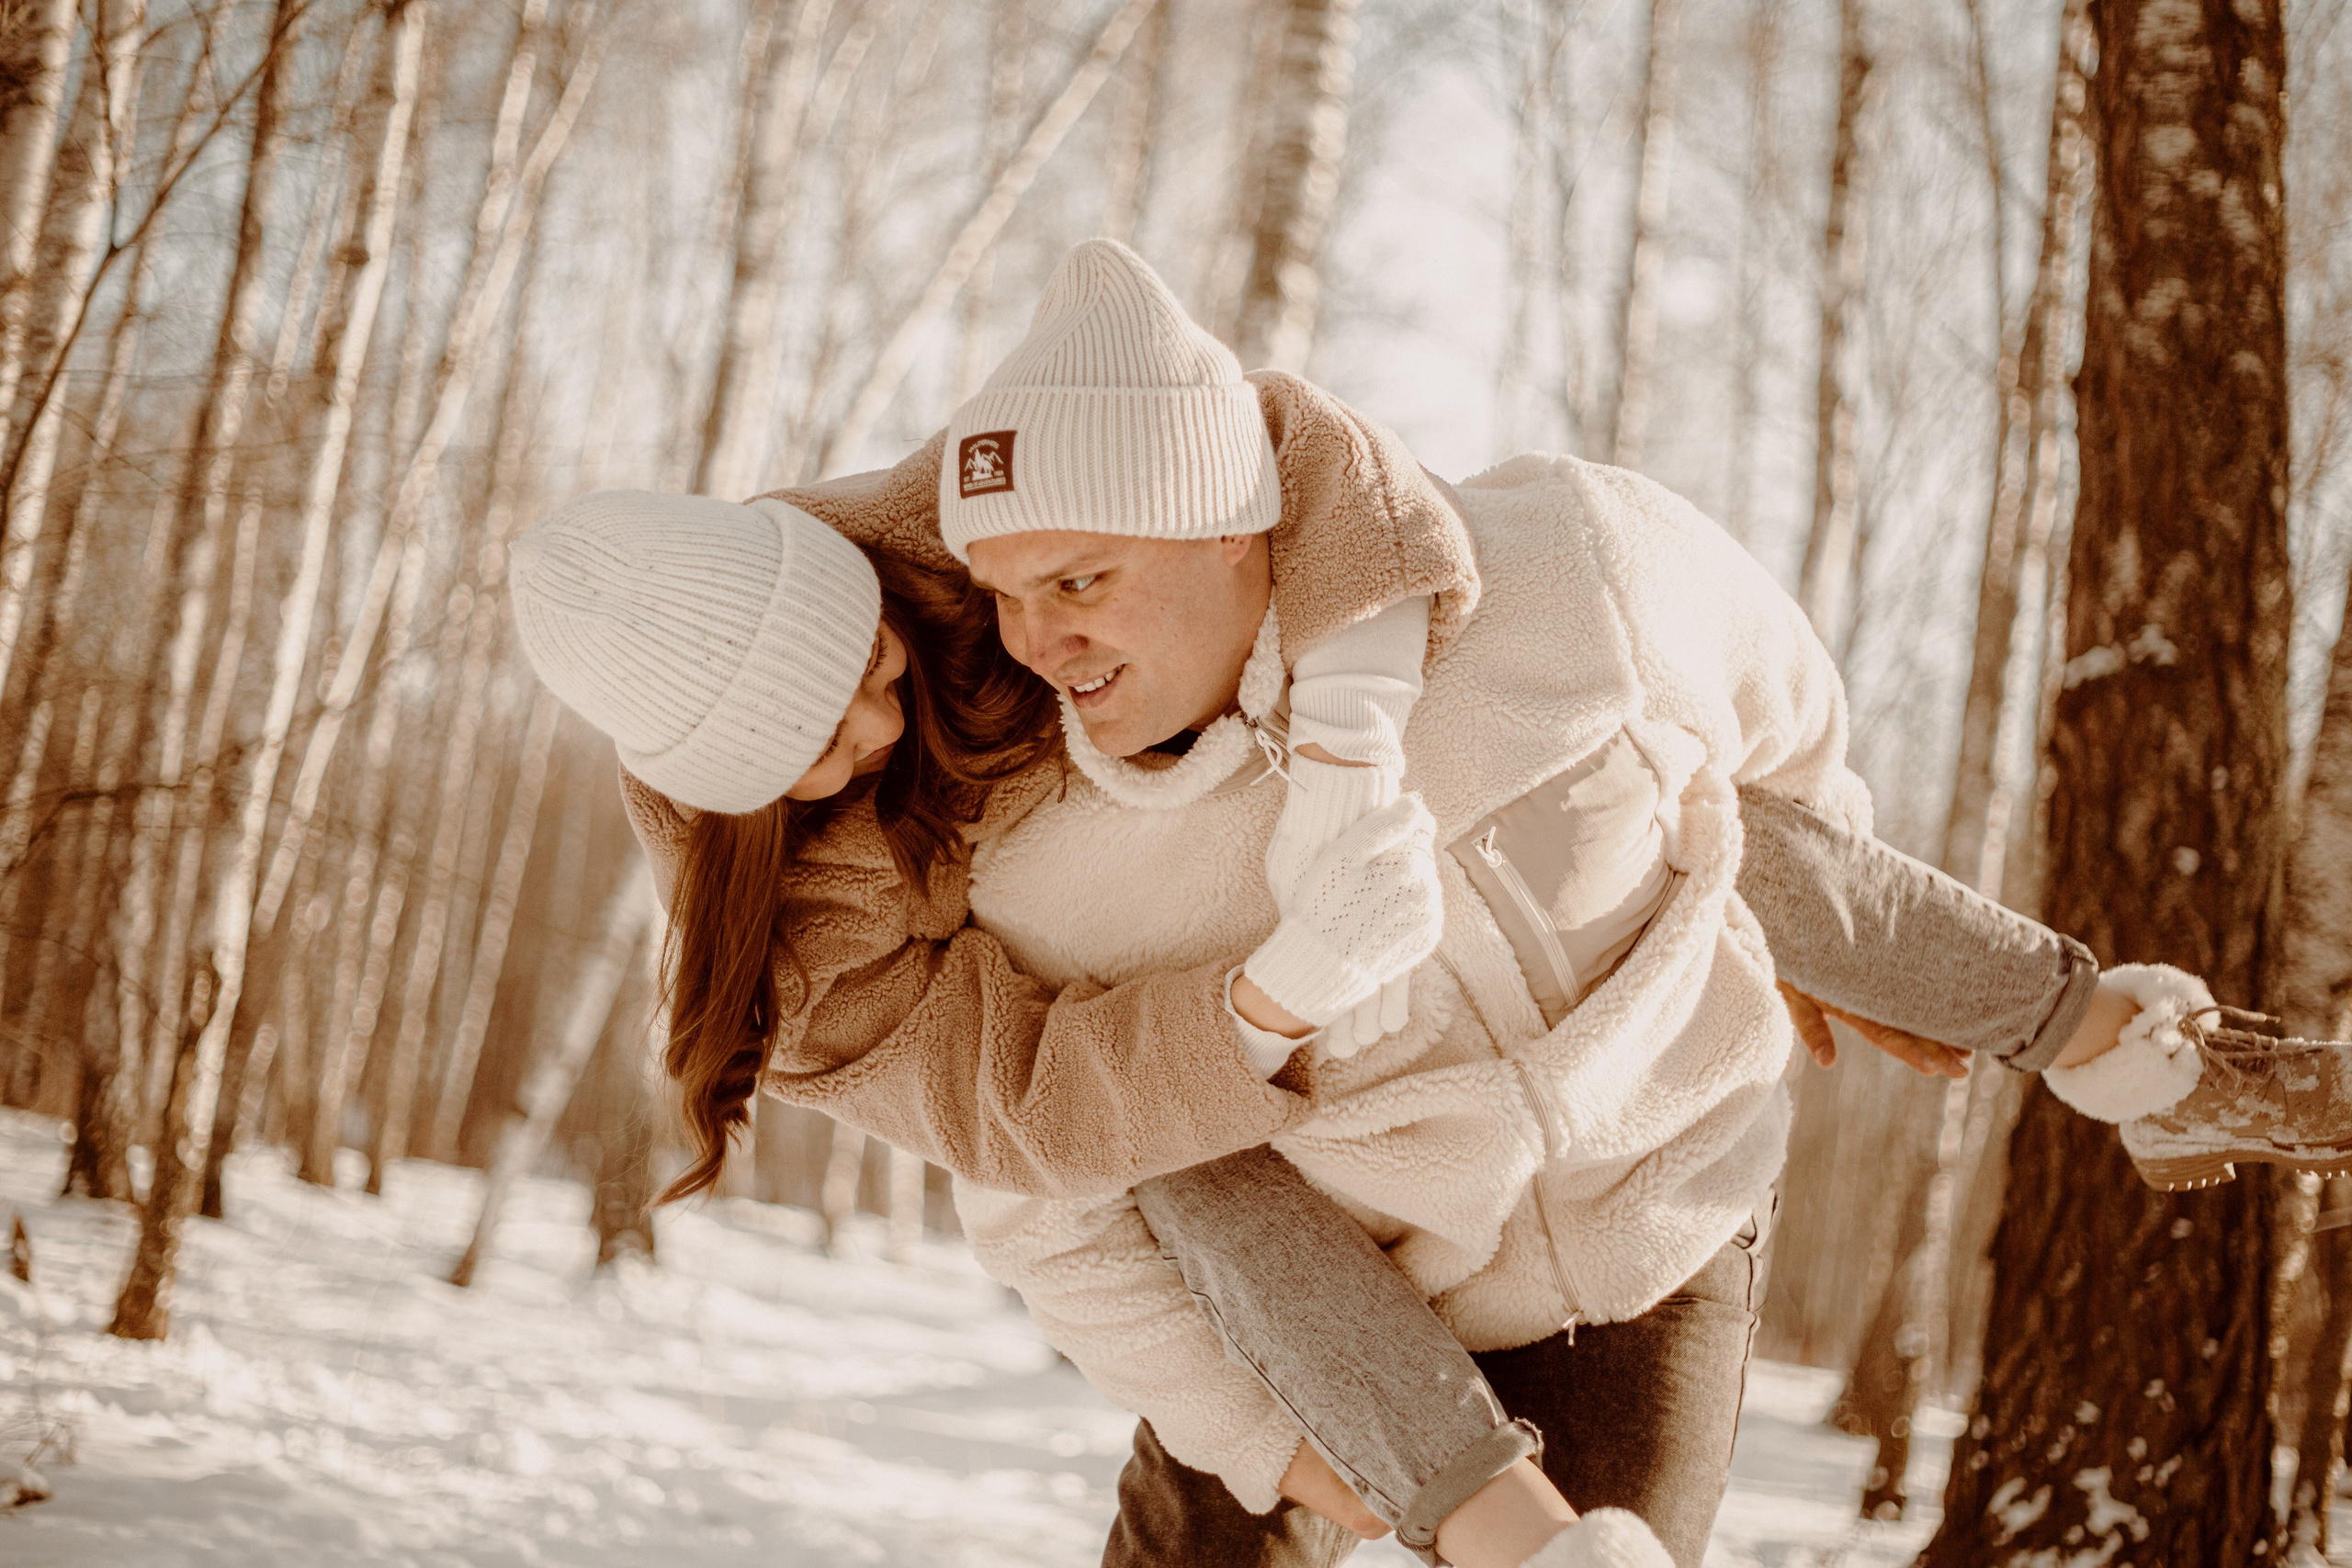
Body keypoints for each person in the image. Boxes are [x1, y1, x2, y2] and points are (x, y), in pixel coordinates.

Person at [510, 241, 2320, 1566]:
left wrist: (1806, 908)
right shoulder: (1016, 876)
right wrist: (1272, 1425)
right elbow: (1048, 1187)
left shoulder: (1517, 571)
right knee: (1167, 1136)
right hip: (1328, 1283)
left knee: (1691, 815)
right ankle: (1483, 1520)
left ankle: (2133, 1048)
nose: (1000, 656)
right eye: (817, 745)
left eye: (1070, 584)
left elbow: (1756, 731)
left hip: (1649, 1226)